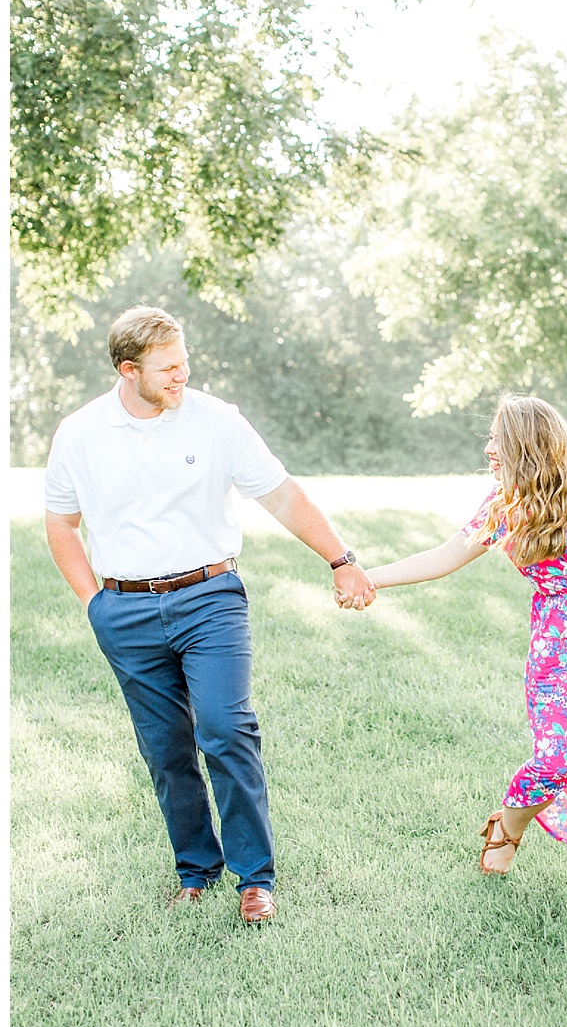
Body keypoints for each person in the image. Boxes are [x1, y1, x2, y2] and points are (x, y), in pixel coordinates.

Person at [43, 306, 378, 924]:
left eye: (185, 363)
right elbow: (61, 523)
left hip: (209, 597)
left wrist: (341, 559)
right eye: (168, 369)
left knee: (226, 730)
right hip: (124, 610)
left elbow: (280, 493)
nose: (182, 377)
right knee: (165, 748)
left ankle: (256, 877)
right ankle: (195, 869)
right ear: (128, 370)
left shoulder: (217, 421)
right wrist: (95, 603)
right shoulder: (80, 432)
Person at [361, 394, 567, 905]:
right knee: (557, 759)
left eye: (496, 437)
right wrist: (370, 579)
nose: (489, 447)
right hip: (560, 652)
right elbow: (447, 556)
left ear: (525, 443)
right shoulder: (506, 502)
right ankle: (508, 826)